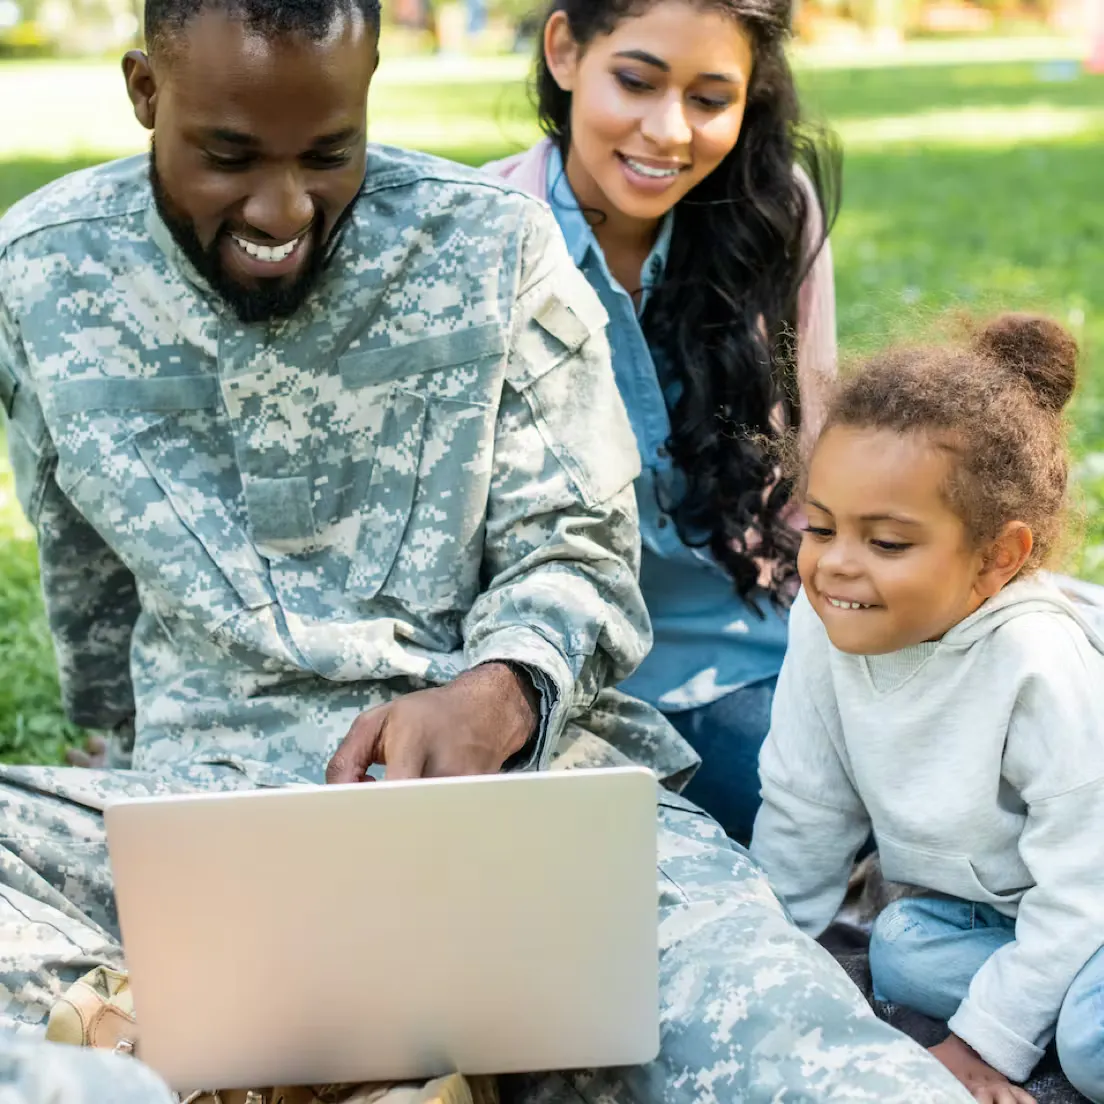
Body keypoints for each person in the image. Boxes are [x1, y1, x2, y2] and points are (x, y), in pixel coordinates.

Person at [0, 0, 975, 1101]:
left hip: (516, 802)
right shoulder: (41, 270)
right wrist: (124, 751)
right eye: (228, 156)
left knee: (797, 1049)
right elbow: (84, 571)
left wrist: (503, 690)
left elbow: (581, 544)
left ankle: (247, 1050)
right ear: (144, 93)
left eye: (329, 154)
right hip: (198, 816)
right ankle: (209, 1047)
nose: (282, 207)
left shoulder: (487, 248)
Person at [484, 0, 839, 844]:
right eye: (635, 82)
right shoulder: (483, 232)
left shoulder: (771, 212)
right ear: (565, 50)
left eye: (711, 99)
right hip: (570, 685)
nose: (667, 131)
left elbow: (816, 452)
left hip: (759, 645)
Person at [749, 315, 1104, 1104]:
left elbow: (1085, 885)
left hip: (1094, 893)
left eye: (888, 544)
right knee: (901, 951)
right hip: (1008, 913)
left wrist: (984, 1045)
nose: (837, 564)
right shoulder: (824, 623)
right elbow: (804, 809)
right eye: (822, 527)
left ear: (997, 558)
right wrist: (756, 964)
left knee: (1090, 1043)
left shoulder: (1036, 664)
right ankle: (1042, 998)